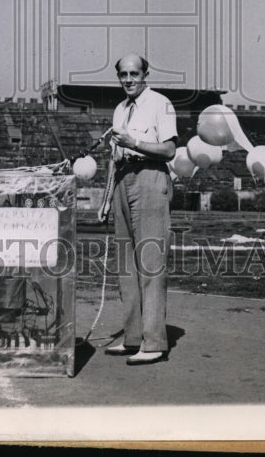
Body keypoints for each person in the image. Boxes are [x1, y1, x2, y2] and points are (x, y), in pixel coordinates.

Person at [98, 53, 177, 365]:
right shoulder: (120, 108)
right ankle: (133, 338)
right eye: (123, 75)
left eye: (134, 74)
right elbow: (114, 158)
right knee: (126, 265)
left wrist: (134, 143)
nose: (128, 80)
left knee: (150, 262)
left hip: (150, 178)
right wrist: (105, 198)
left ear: (146, 73)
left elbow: (169, 149)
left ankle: (155, 340)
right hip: (121, 182)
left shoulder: (161, 104)